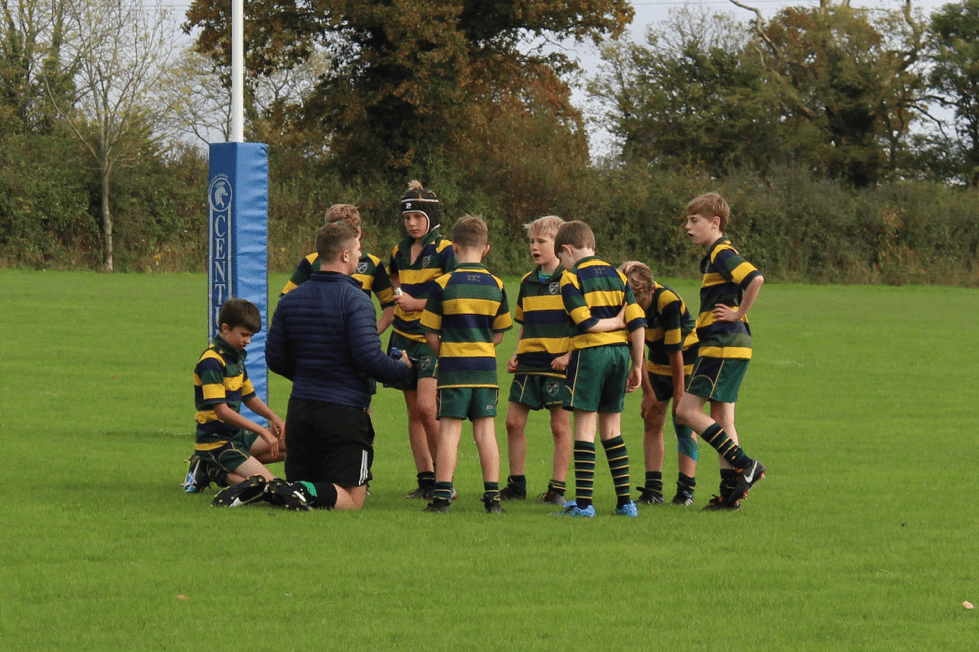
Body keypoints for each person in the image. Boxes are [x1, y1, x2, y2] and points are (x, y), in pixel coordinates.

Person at [266, 222, 412, 510]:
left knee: (310, 490)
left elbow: (275, 359)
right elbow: (369, 358)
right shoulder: (356, 300)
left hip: (301, 410)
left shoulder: (290, 300)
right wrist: (401, 367)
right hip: (342, 414)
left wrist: (311, 374)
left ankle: (291, 489)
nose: (360, 256)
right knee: (353, 500)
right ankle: (288, 490)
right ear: (345, 255)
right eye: (357, 250)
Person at [674, 191, 767, 511]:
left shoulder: (721, 253)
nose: (688, 227)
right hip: (730, 345)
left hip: (725, 344)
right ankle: (730, 497)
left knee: (686, 412)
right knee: (722, 417)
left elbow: (755, 278)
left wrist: (738, 313)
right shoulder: (716, 255)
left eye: (694, 220)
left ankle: (747, 465)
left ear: (715, 223)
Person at [419, 216, 513, 514]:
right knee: (486, 433)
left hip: (453, 370)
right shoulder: (496, 284)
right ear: (486, 248)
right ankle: (493, 499)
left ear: (455, 246)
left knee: (449, 433)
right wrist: (482, 345)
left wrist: (445, 352)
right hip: (485, 371)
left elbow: (430, 332)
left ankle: (442, 498)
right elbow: (499, 333)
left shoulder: (443, 284)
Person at [552, 221, 646, 518]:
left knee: (584, 429)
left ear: (566, 250)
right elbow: (637, 321)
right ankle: (626, 504)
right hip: (620, 355)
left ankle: (583, 505)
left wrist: (613, 324)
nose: (562, 264)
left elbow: (586, 323)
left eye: (561, 258)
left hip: (591, 355)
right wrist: (638, 364)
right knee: (612, 429)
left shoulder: (571, 277)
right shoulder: (619, 276)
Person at [185, 297, 309, 511]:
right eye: (244, 335)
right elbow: (222, 412)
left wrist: (274, 418)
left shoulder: (236, 358)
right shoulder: (211, 361)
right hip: (216, 442)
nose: (248, 341)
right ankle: (213, 470)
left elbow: (249, 397)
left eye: (251, 336)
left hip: (236, 437)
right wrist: (261, 430)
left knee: (294, 443)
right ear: (225, 328)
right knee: (267, 484)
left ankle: (211, 467)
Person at [386, 181, 457, 500]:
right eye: (407, 218)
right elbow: (393, 279)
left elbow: (453, 291)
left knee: (429, 409)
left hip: (430, 337)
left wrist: (420, 304)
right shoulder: (399, 250)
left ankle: (446, 481)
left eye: (417, 217)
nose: (411, 223)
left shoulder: (446, 250)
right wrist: (401, 296)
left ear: (431, 217)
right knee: (414, 412)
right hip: (402, 337)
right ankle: (426, 480)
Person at [500, 215, 573, 507]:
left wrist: (569, 356)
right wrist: (517, 352)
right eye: (532, 241)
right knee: (512, 422)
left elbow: (580, 323)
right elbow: (524, 321)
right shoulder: (527, 281)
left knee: (559, 426)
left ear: (559, 245)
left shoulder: (570, 280)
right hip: (529, 361)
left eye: (541, 241)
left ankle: (557, 489)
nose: (534, 246)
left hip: (557, 363)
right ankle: (517, 484)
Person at [618, 260, 700, 507]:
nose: (638, 309)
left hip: (685, 362)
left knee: (683, 423)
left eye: (641, 303)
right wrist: (649, 393)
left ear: (651, 290)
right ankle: (653, 490)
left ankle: (685, 492)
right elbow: (637, 348)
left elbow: (675, 353)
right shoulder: (625, 302)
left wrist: (679, 398)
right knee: (652, 420)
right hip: (655, 362)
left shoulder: (668, 302)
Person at [280, 203, 396, 334]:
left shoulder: (372, 263)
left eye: (352, 230)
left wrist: (370, 334)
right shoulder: (312, 261)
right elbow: (286, 301)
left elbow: (390, 306)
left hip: (356, 345)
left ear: (359, 231)